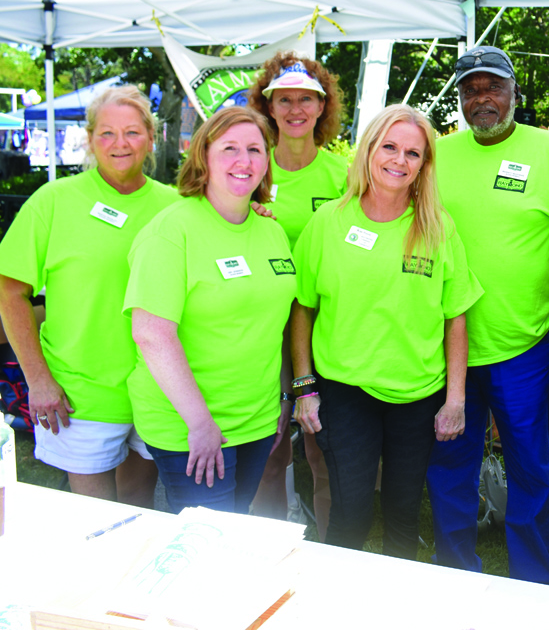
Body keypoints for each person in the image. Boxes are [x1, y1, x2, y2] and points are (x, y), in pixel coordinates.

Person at [425, 45, 549, 584]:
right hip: (448, 350)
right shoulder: (438, 155)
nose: (482, 99)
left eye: (492, 87)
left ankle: (535, 578)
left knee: (530, 467)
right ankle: (453, 571)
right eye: (470, 90)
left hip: (523, 347)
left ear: (514, 91)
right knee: (451, 466)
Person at [289, 104, 482, 558]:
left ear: (424, 166)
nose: (399, 160)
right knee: (351, 513)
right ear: (369, 149)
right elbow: (303, 307)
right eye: (389, 147)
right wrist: (303, 387)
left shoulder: (437, 227)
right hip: (345, 389)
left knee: (402, 513)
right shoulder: (329, 222)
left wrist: (455, 399)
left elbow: (455, 315)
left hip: (417, 395)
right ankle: (331, 604)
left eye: (413, 154)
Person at [0, 86, 176, 507]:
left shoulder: (176, 206)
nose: (120, 144)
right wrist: (38, 380)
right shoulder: (54, 200)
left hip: (158, 388)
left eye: (132, 132)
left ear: (151, 138)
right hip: (81, 394)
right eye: (107, 133)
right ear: (91, 138)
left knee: (139, 502)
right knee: (92, 515)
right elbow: (10, 292)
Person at [126, 107, 294, 514]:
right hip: (192, 425)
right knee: (206, 547)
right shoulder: (171, 231)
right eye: (230, 148)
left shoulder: (271, 230)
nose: (244, 161)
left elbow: (278, 322)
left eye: (255, 149)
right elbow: (152, 334)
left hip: (257, 420)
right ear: (203, 155)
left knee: (232, 533)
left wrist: (283, 398)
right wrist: (199, 424)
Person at [247, 52, 347, 533]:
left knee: (321, 450)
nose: (294, 109)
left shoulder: (342, 176)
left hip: (321, 327)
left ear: (322, 107)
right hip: (260, 328)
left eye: (305, 100)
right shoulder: (249, 169)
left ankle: (325, 552)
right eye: (283, 100)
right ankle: (270, 549)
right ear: (267, 107)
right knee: (268, 451)